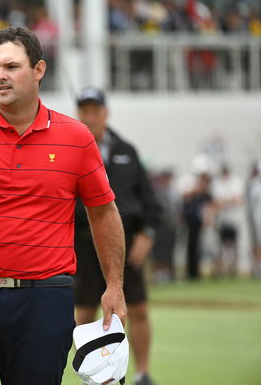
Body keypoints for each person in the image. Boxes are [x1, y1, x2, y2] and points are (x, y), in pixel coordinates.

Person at [0, 26, 127, 385]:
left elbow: (103, 211)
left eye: (11, 67)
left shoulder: (77, 138)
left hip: (44, 301)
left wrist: (114, 286)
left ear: (39, 70)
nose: (0, 76)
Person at [73, 87, 161, 385]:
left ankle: (142, 372)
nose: (90, 116)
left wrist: (147, 234)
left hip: (125, 244)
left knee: (136, 308)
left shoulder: (126, 150)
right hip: (82, 244)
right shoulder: (71, 149)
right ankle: (89, 374)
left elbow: (150, 200)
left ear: (105, 113)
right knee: (83, 310)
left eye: (95, 110)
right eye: (84, 110)